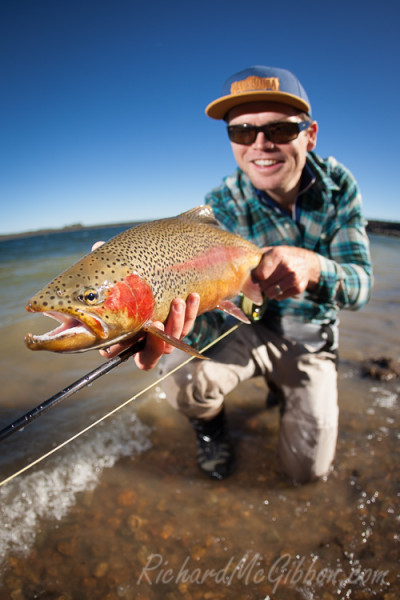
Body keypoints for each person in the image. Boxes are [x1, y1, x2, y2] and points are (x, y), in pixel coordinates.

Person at [104, 66, 373, 484]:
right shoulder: (220, 207)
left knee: (307, 474)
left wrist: (316, 266)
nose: (261, 144)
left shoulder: (340, 188)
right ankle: (211, 431)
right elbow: (205, 305)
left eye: (281, 129)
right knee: (180, 373)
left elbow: (361, 286)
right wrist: (155, 320)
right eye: (242, 132)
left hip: (310, 340)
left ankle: (282, 390)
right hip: (247, 329)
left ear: (311, 134)